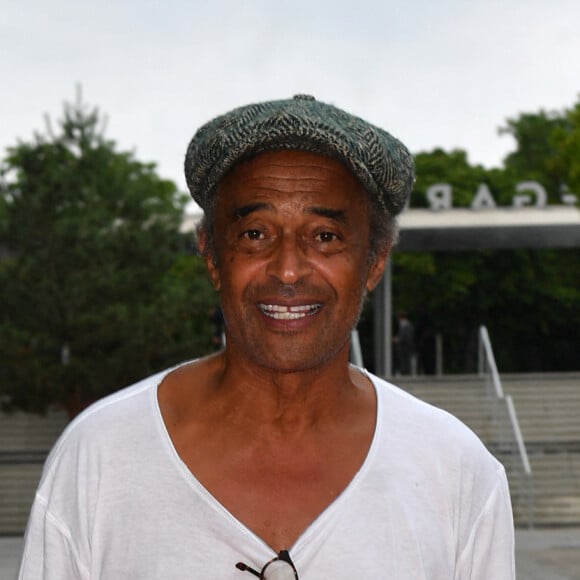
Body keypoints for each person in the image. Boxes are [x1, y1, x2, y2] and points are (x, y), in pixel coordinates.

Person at [19, 95, 515, 579]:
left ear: (375, 261)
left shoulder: (455, 471)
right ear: (212, 256)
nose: (289, 270)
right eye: (255, 233)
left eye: (325, 235)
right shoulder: (102, 456)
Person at [394, 310, 415, 375]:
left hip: (404, 346)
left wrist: (397, 340)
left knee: (404, 360)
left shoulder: (405, 325)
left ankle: (405, 372)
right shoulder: (408, 324)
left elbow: (405, 336)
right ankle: (405, 371)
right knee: (405, 360)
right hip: (406, 345)